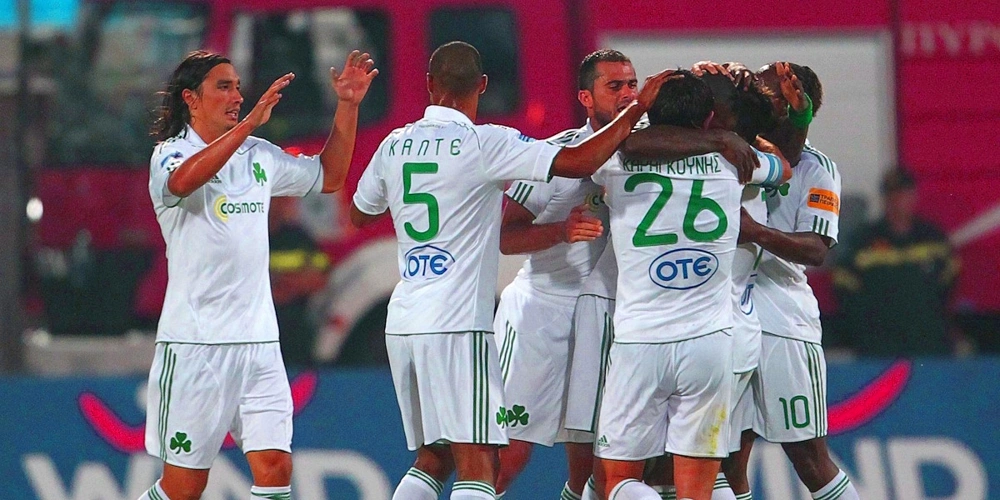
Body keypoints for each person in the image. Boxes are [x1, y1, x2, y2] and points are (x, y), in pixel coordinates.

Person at [348, 41, 668, 500]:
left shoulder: (394, 143)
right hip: (482, 319)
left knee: (437, 458)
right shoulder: (490, 143)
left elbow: (360, 213)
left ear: (429, 84)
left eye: (632, 86)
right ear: (482, 85)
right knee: (485, 464)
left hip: (408, 316)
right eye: (615, 86)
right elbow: (574, 167)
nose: (627, 93)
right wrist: (561, 230)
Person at [141, 49, 377, 500]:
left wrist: (348, 106)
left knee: (275, 467)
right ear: (191, 98)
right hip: (196, 347)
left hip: (259, 344)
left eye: (237, 87)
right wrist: (249, 124)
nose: (236, 96)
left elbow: (328, 176)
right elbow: (184, 182)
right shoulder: (170, 155)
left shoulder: (258, 156)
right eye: (223, 87)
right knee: (184, 488)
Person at [588, 70, 786, 500]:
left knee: (618, 482)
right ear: (709, 117)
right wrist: (735, 139)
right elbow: (783, 169)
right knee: (697, 491)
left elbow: (611, 145)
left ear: (651, 114)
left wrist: (637, 110)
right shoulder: (736, 161)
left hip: (640, 341)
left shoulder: (615, 160)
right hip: (709, 344)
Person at [739, 62, 862, 500]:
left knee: (808, 458)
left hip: (783, 322)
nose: (754, 93)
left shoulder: (817, 169)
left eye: (766, 89)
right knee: (726, 458)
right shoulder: (733, 148)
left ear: (793, 105)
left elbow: (815, 249)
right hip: (727, 319)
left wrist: (755, 232)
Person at [834, 167, 959, 357]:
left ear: (914, 196)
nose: (898, 201)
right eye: (892, 195)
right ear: (884, 198)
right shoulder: (863, 241)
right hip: (878, 346)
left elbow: (949, 281)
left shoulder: (932, 238)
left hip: (928, 342)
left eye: (903, 194)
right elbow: (845, 286)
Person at [269, 197, 331, 367]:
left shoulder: (297, 237)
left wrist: (290, 285)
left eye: (279, 200)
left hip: (294, 331)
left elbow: (320, 278)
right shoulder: (245, 238)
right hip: (254, 330)